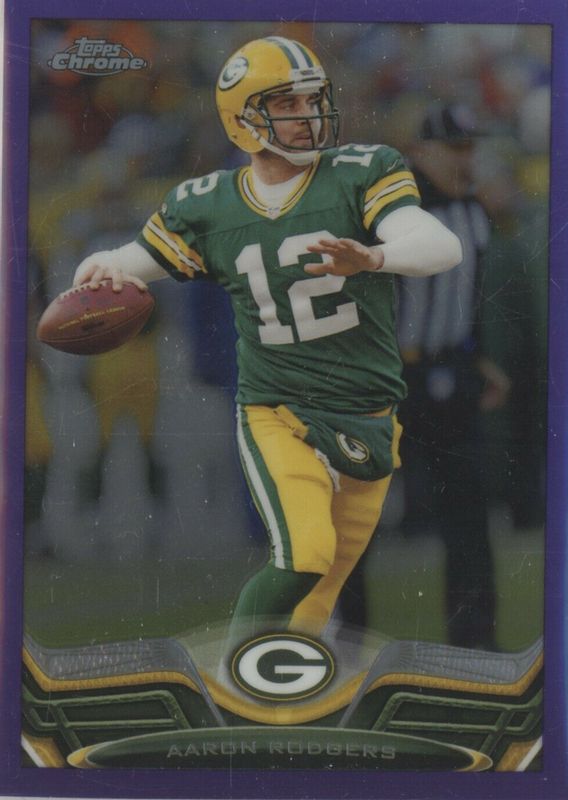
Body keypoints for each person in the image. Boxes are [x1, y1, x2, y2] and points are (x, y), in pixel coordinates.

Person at [72, 37, 462, 648]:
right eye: (286, 103)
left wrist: (375, 256)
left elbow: (440, 244)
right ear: (243, 118)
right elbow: (134, 258)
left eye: (313, 99)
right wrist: (101, 267)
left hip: (368, 411)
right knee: (305, 554)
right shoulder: (208, 203)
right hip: (278, 408)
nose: (307, 115)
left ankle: (275, 690)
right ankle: (232, 672)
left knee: (322, 590)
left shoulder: (362, 171)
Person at [396, 103, 510, 650]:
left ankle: (474, 645)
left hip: (450, 370)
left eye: (471, 147)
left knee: (468, 515)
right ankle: (343, 647)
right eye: (455, 148)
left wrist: (478, 355)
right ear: (422, 151)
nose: (467, 159)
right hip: (393, 375)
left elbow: (472, 293)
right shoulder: (394, 210)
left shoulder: (472, 210)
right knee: (357, 520)